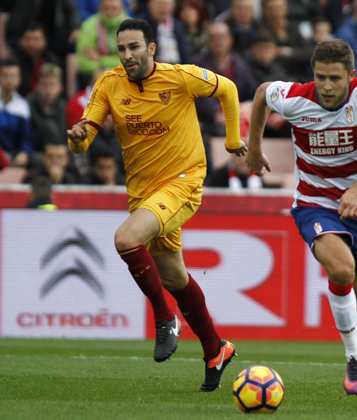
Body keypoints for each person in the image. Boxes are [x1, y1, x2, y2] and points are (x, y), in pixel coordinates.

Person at [67, 19, 246, 391]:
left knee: (125, 239)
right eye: (121, 49)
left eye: (134, 47)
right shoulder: (109, 84)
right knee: (174, 278)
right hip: (143, 193)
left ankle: (164, 319)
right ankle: (216, 349)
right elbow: (85, 138)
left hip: (183, 181)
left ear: (151, 48)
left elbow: (228, 89)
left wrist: (232, 142)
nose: (127, 55)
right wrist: (78, 138)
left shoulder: (180, 77)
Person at [245, 39, 357, 411]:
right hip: (315, 204)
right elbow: (263, 93)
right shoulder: (297, 97)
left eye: (335, 78)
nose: (327, 87)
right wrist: (253, 146)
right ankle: (354, 354)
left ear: (351, 75)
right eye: (321, 78)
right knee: (341, 267)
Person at [76, 0, 129, 76]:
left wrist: (101, 59)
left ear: (122, 9)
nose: (110, 12)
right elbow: (82, 61)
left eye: (114, 8)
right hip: (95, 75)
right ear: (99, 8)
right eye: (106, 8)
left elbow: (133, 60)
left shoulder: (132, 27)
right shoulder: (88, 25)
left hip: (126, 74)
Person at [27, 64, 66, 153]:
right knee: (49, 126)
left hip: (55, 149)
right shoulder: (29, 103)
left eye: (52, 85)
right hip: (34, 150)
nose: (48, 90)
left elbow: (62, 134)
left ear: (60, 87)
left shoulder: (61, 105)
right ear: (37, 86)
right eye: (44, 85)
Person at [14, 22, 60, 97]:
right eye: (28, 39)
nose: (31, 44)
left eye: (36, 39)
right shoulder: (14, 61)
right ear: (20, 41)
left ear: (44, 41)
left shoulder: (51, 60)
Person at [137, 0, 190, 64]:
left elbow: (184, 53)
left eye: (167, 4)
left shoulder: (178, 25)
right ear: (150, 5)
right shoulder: (140, 25)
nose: (163, 8)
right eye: (159, 4)